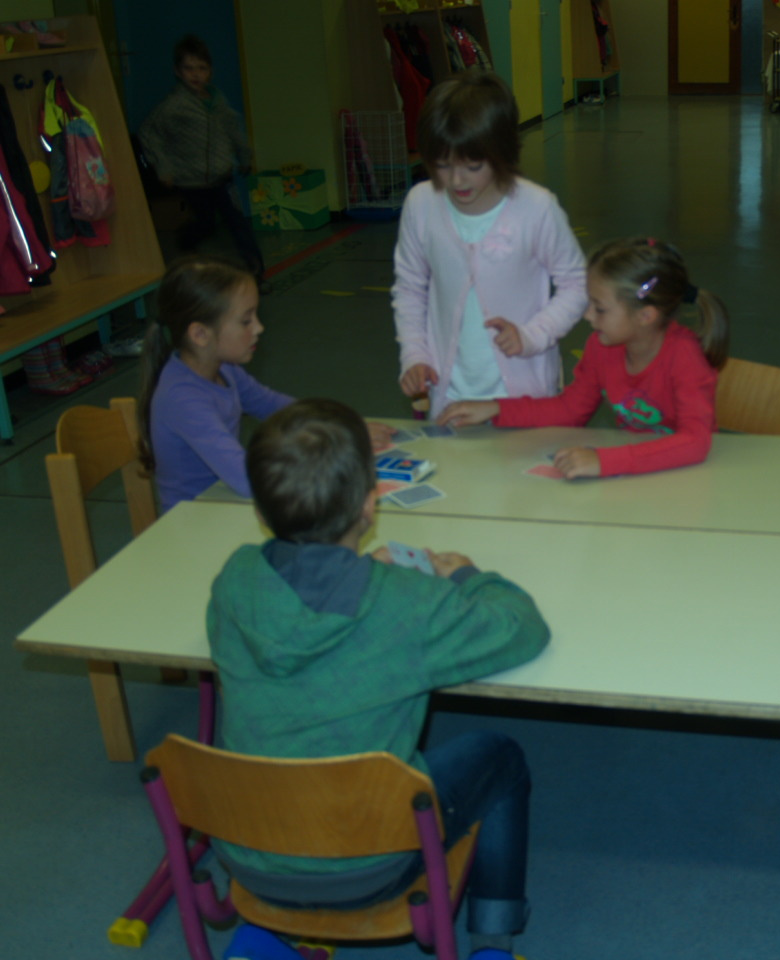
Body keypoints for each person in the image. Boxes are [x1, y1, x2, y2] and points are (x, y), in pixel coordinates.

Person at [208, 397, 550, 960]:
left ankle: (261, 939)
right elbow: (523, 629)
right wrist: (468, 576)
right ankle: (492, 941)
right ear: (371, 503)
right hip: (371, 865)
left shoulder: (234, 580)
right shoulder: (408, 605)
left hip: (249, 857)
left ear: (263, 512)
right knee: (501, 756)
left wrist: (366, 575)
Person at [438, 236, 729, 479]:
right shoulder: (601, 347)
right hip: (640, 472)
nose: (588, 315)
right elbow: (570, 409)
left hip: (687, 475)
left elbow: (695, 442)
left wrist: (606, 461)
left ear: (645, 316)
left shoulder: (684, 357)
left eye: (599, 308)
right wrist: (496, 409)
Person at [393, 71, 586, 415]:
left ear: (501, 152)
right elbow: (410, 287)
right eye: (442, 165)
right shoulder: (421, 204)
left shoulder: (536, 208)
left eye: (473, 165)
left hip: (524, 395)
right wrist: (415, 354)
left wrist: (532, 335)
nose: (456, 180)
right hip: (448, 392)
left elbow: (577, 284)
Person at [138, 257, 293, 513]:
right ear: (200, 334)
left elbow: (271, 404)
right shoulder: (182, 397)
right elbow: (245, 479)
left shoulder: (224, 369)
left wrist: (337, 423)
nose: (259, 328)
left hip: (223, 504)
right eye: (246, 321)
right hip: (193, 522)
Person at [139, 34, 268, 291]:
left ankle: (256, 273)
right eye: (189, 68)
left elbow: (233, 130)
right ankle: (186, 242)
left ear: (210, 71)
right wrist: (163, 167)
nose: (195, 74)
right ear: (178, 72)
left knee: (238, 224)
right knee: (206, 224)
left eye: (201, 68)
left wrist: (244, 156)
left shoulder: (218, 101)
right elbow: (149, 133)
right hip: (192, 180)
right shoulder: (174, 105)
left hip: (222, 177)